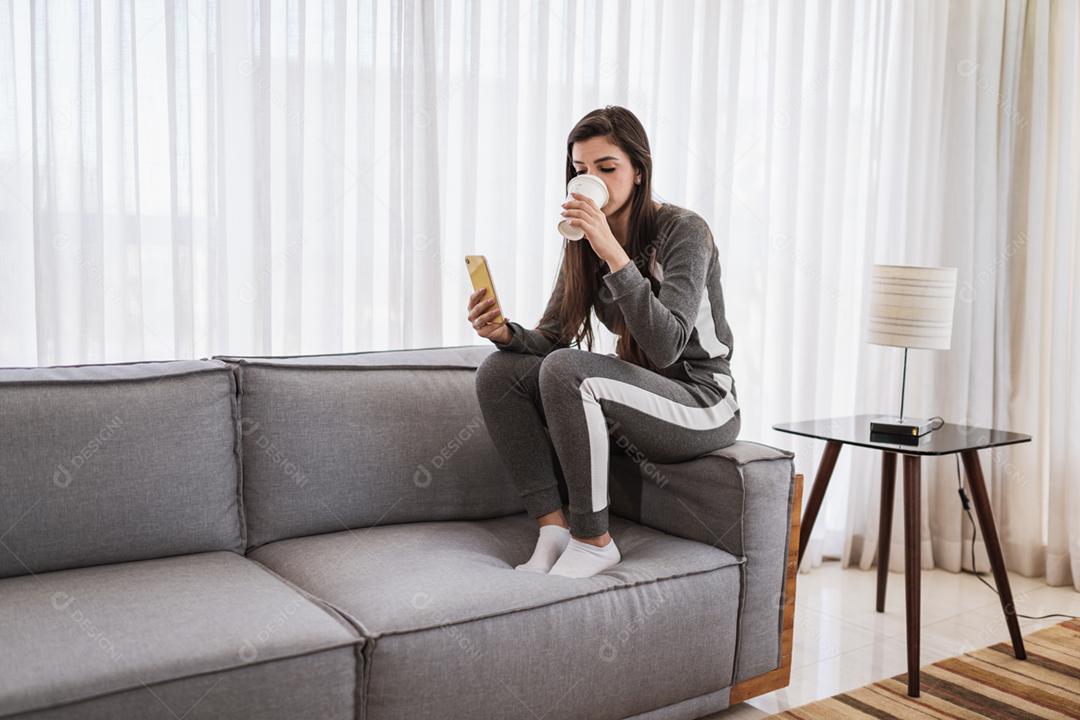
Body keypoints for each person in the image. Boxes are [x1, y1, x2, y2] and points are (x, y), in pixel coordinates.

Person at [468, 105, 740, 579]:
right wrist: (505, 333)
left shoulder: (684, 231)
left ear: (639, 172)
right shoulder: (584, 241)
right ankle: (553, 529)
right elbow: (554, 336)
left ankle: (593, 541)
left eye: (607, 168)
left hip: (704, 400)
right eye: (581, 170)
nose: (591, 181)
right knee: (500, 372)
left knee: (567, 369)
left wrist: (613, 254)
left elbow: (666, 346)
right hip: (641, 395)